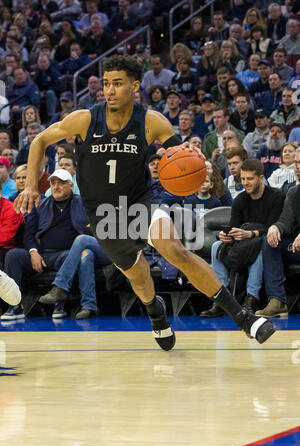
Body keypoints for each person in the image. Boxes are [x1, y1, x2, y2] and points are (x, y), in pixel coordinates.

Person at [14, 54, 276, 346]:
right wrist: (32, 187)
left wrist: (193, 157)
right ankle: (156, 313)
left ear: (135, 86)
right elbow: (39, 140)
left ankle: (242, 318)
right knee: (138, 277)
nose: (109, 90)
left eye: (117, 83)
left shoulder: (150, 121)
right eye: (106, 83)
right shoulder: (85, 119)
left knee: (175, 250)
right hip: (102, 214)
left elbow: (181, 153)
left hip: (140, 203)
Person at [1, 169, 89, 321]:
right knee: (13, 255)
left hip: (66, 253)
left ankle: (59, 303)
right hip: (42, 254)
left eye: (61, 183)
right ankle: (15, 306)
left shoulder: (81, 203)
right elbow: (29, 235)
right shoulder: (40, 205)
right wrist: (33, 252)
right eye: (53, 183)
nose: (56, 187)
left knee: (69, 256)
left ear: (71, 185)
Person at [201, 159, 285, 317]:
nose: (246, 183)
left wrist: (251, 233)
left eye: (250, 179)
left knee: (260, 247)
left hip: (264, 242)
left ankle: (250, 299)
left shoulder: (276, 197)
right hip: (242, 242)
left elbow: (274, 226)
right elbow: (234, 226)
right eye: (243, 179)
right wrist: (226, 235)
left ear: (261, 178)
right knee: (215, 246)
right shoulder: (240, 199)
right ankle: (221, 299)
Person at [38, 234, 112, 319]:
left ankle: (61, 287)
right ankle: (89, 306)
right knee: (86, 256)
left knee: (81, 239)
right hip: (97, 247)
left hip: (118, 249)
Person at [255, 182, 300, 318]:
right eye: (297, 163)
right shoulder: (294, 192)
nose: (298, 167)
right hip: (297, 246)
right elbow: (286, 220)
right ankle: (277, 301)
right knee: (270, 242)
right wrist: (275, 227)